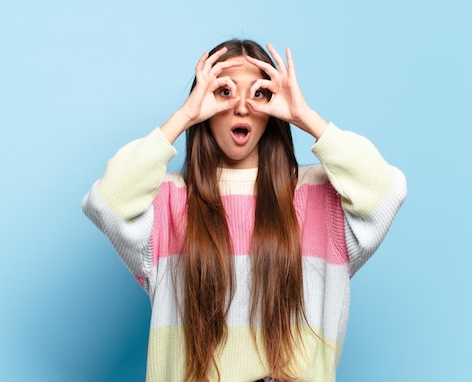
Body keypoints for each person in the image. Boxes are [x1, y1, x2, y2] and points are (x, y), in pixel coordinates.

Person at [82, 39, 407, 382]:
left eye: (259, 93)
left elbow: (387, 191)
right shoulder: (168, 200)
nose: (241, 106)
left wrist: (305, 117)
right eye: (224, 91)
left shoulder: (318, 196)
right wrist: (184, 116)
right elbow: (107, 201)